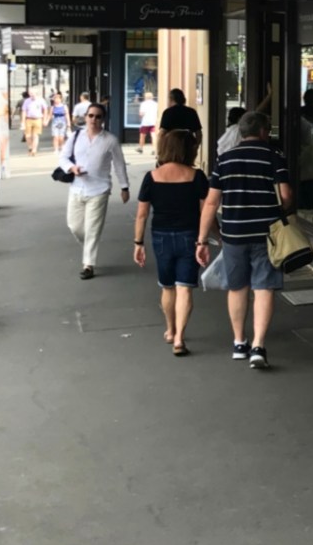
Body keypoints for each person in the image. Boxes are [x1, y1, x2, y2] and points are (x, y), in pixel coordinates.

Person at [194, 111, 292, 369]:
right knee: (264, 287)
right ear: (263, 132)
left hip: (234, 234)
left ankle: (239, 342)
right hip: (266, 233)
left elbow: (212, 202)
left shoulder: (225, 159)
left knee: (237, 287)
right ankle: (259, 345)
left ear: (240, 132)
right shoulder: (275, 157)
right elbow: (285, 194)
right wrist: (281, 209)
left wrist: (202, 240)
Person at [133, 130, 210, 356]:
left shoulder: (152, 176)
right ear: (189, 150)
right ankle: (179, 339)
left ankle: (170, 329)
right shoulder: (197, 176)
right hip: (190, 235)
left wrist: (138, 243)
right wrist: (211, 237)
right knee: (184, 288)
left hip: (161, 236)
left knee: (167, 286)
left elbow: (142, 214)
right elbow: (207, 210)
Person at [58, 102, 130, 279]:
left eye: (98, 116)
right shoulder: (76, 136)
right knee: (74, 226)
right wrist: (71, 168)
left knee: (92, 229)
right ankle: (89, 245)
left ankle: (88, 264)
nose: (93, 119)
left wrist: (124, 187)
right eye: (91, 115)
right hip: (77, 188)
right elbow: (63, 157)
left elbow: (119, 165)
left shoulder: (110, 140)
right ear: (85, 117)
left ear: (103, 119)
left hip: (99, 190)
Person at [22, 89, 49, 156]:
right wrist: (22, 121)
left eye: (33, 93)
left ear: (36, 93)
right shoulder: (27, 101)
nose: (32, 95)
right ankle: (30, 147)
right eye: (30, 93)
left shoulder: (41, 100)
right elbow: (24, 111)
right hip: (28, 119)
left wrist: (45, 119)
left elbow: (45, 109)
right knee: (27, 135)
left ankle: (34, 149)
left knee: (35, 135)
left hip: (38, 119)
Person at [0, 86, 10, 179]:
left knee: (1, 148)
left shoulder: (1, 104)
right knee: (1, 148)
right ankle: (1, 167)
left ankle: (2, 167)